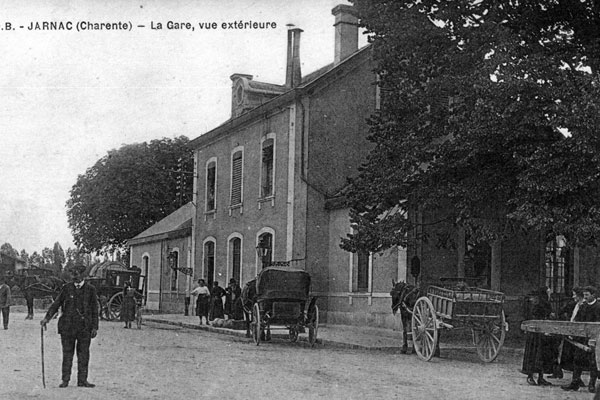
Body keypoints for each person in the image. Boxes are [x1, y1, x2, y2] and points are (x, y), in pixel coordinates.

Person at [40, 265, 98, 388]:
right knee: (67, 354)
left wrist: (95, 327)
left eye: (76, 274)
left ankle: (82, 380)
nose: (73, 277)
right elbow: (56, 304)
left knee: (83, 355)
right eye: (72, 274)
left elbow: (94, 310)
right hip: (67, 327)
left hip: (84, 328)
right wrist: (46, 318)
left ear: (83, 275)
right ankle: (65, 380)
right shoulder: (66, 288)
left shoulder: (91, 289)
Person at [562, 286, 600, 392]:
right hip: (582, 338)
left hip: (595, 339)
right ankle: (575, 383)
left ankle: (591, 384)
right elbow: (578, 321)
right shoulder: (583, 307)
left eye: (587, 295)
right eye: (584, 295)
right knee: (577, 360)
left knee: (593, 362)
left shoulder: (598, 307)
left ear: (593, 295)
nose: (585, 297)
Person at [521, 287, 554, 386]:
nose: (550, 293)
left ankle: (540, 377)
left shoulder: (542, 303)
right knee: (536, 354)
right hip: (537, 333)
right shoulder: (542, 304)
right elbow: (537, 317)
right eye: (548, 292)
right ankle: (531, 376)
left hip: (540, 332)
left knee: (541, 355)